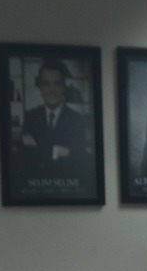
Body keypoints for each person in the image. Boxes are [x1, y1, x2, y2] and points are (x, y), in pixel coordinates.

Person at [16, 57, 93, 186]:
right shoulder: (31, 116)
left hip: (67, 186)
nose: (51, 89)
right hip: (35, 185)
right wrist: (59, 151)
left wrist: (37, 148)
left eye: (57, 83)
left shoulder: (77, 120)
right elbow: (22, 154)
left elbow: (77, 158)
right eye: (46, 84)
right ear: (40, 87)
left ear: (64, 87)